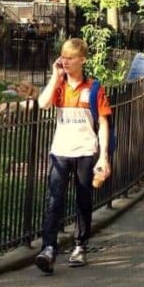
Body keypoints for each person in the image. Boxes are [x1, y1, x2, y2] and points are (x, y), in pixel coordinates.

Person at [35, 38, 112, 274]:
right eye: (63, 57)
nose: (65, 62)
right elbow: (42, 104)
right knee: (54, 200)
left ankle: (80, 245)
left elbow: (103, 122)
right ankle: (48, 248)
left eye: (70, 58)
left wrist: (104, 156)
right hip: (60, 151)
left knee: (83, 200)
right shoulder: (59, 86)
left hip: (86, 151)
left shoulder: (94, 88)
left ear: (82, 60)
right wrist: (54, 76)